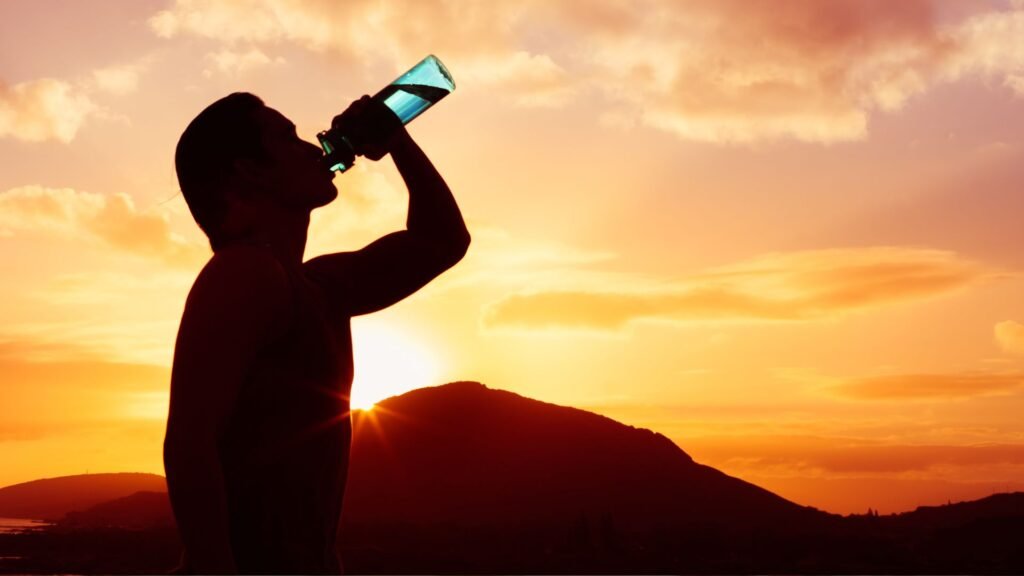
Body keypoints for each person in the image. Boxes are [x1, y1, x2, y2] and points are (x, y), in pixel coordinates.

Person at [162, 92, 470, 574]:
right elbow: (190, 443)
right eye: (288, 138)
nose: (312, 147)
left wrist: (396, 139)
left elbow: (442, 240)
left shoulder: (317, 287)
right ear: (250, 171)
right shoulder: (244, 273)